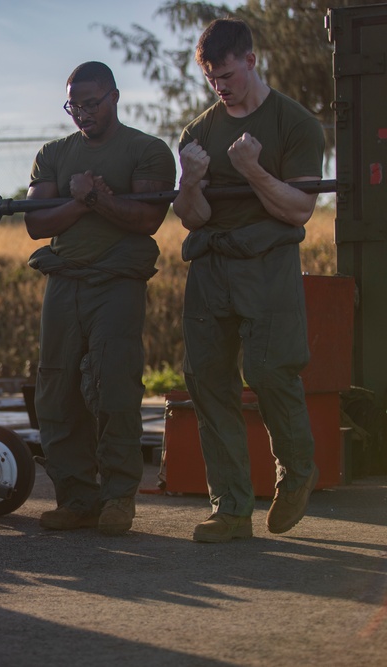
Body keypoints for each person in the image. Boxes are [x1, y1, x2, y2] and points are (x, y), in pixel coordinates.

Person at [173, 19, 325, 543]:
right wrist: (191, 180)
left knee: (270, 371)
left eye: (228, 73)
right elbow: (192, 217)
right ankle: (232, 509)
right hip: (212, 264)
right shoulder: (198, 132)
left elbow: (300, 209)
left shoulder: (296, 124)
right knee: (207, 380)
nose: (221, 85)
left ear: (252, 60)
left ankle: (298, 471)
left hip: (267, 262)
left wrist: (254, 171)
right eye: (212, 77)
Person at [24, 62, 176, 536]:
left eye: (91, 103)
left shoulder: (146, 150)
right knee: (57, 390)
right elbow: (36, 223)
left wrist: (97, 202)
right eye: (73, 105)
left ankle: (117, 500)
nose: (82, 114)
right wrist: (85, 200)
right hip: (63, 282)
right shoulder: (53, 153)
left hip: (116, 282)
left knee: (115, 389)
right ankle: (76, 498)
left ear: (113, 96)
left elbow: (146, 219)